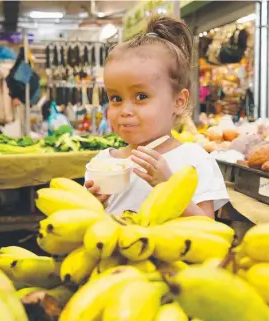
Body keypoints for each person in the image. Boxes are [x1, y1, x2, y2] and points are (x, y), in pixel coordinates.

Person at [85, 15, 229, 218]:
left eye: (141, 96)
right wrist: (92, 205)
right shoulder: (103, 163)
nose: (125, 110)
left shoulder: (194, 160)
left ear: (178, 101)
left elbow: (207, 228)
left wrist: (169, 187)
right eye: (116, 98)